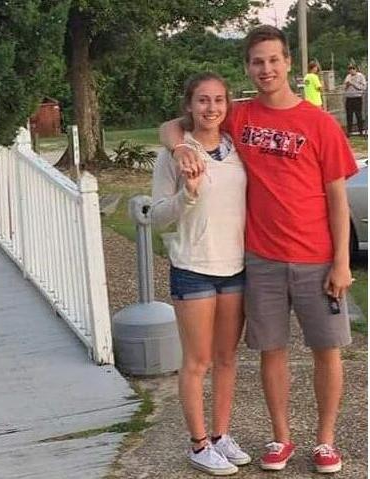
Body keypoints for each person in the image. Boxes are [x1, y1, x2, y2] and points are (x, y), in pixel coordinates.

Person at [160, 25, 357, 474]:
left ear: (288, 63)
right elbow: (174, 124)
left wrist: (342, 261)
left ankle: (325, 441)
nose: (266, 69)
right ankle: (281, 438)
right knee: (272, 350)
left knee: (327, 350)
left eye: (273, 60)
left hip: (316, 258)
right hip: (261, 259)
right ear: (248, 68)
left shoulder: (320, 123)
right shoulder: (240, 116)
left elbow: (337, 197)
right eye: (257, 62)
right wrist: (178, 150)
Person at [151, 72, 251, 476]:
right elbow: (157, 217)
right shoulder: (175, 154)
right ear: (189, 106)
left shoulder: (237, 147)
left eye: (218, 100)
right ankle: (198, 443)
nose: (211, 108)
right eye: (203, 100)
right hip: (193, 268)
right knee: (198, 360)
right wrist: (187, 196)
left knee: (227, 358)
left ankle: (221, 435)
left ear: (228, 104)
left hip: (236, 267)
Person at [344, 64, 367, 136]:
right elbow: (344, 87)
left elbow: (363, 87)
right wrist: (347, 85)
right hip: (349, 98)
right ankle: (349, 131)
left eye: (353, 69)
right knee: (349, 115)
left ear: (356, 69)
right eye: (350, 69)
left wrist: (353, 84)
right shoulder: (348, 76)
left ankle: (361, 131)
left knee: (358, 115)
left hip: (357, 98)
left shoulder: (360, 76)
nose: (351, 71)